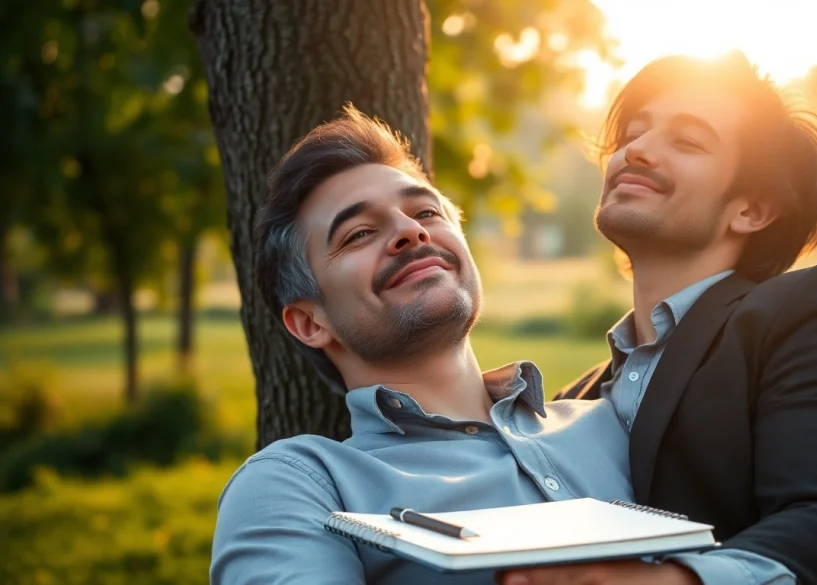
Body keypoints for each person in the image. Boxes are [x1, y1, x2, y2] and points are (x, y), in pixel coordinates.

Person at [211, 106, 699, 585]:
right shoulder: (302, 484)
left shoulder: (619, 420)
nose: (410, 230)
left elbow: (748, 546)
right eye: (359, 234)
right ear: (309, 322)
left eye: (426, 212)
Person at [500, 54, 817, 585]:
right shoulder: (570, 402)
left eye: (687, 141)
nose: (636, 149)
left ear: (752, 210)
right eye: (634, 133)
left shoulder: (810, 311)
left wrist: (669, 581)